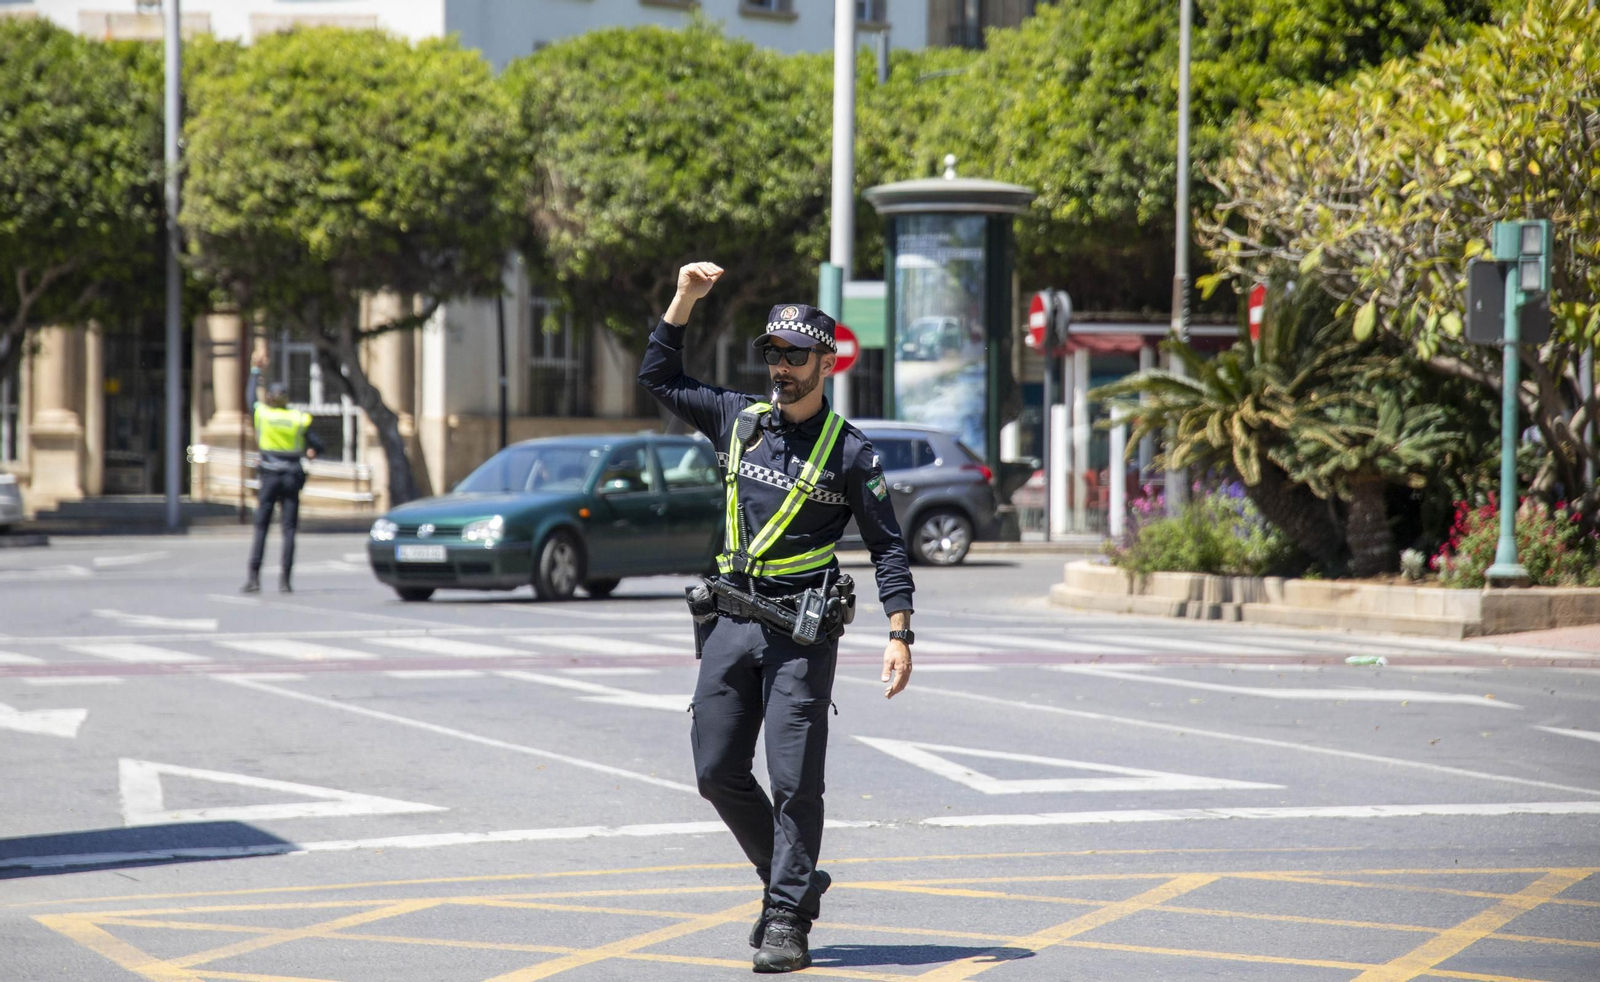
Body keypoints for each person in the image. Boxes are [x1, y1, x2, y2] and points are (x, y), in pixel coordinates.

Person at [639, 262, 915, 973]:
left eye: (796, 356)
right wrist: (683, 299)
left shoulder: (851, 452)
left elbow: (887, 546)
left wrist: (899, 632)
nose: (781, 368)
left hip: (800, 633)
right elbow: (659, 378)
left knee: (794, 782)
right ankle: (794, 878)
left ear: (827, 363)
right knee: (716, 770)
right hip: (730, 623)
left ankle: (788, 916)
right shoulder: (738, 420)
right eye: (773, 353)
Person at [243, 348, 324, 594]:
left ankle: (254, 578)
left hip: (269, 476)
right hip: (291, 477)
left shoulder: (263, 414)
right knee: (288, 530)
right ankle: (285, 581)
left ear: (269, 398)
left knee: (261, 528)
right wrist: (311, 450)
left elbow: (249, 397)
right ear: (286, 398)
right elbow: (317, 444)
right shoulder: (297, 418)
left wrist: (255, 371)